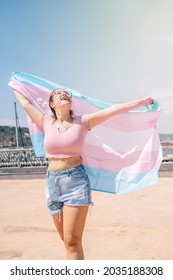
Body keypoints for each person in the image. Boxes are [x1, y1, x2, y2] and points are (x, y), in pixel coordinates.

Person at [13, 88, 154, 260]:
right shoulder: (46, 122)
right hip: (52, 184)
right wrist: (14, 84)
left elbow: (112, 110)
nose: (63, 94)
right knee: (66, 240)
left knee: (72, 241)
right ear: (51, 104)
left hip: (75, 183)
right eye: (58, 93)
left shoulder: (83, 121)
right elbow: (26, 104)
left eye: (66, 93)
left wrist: (141, 102)